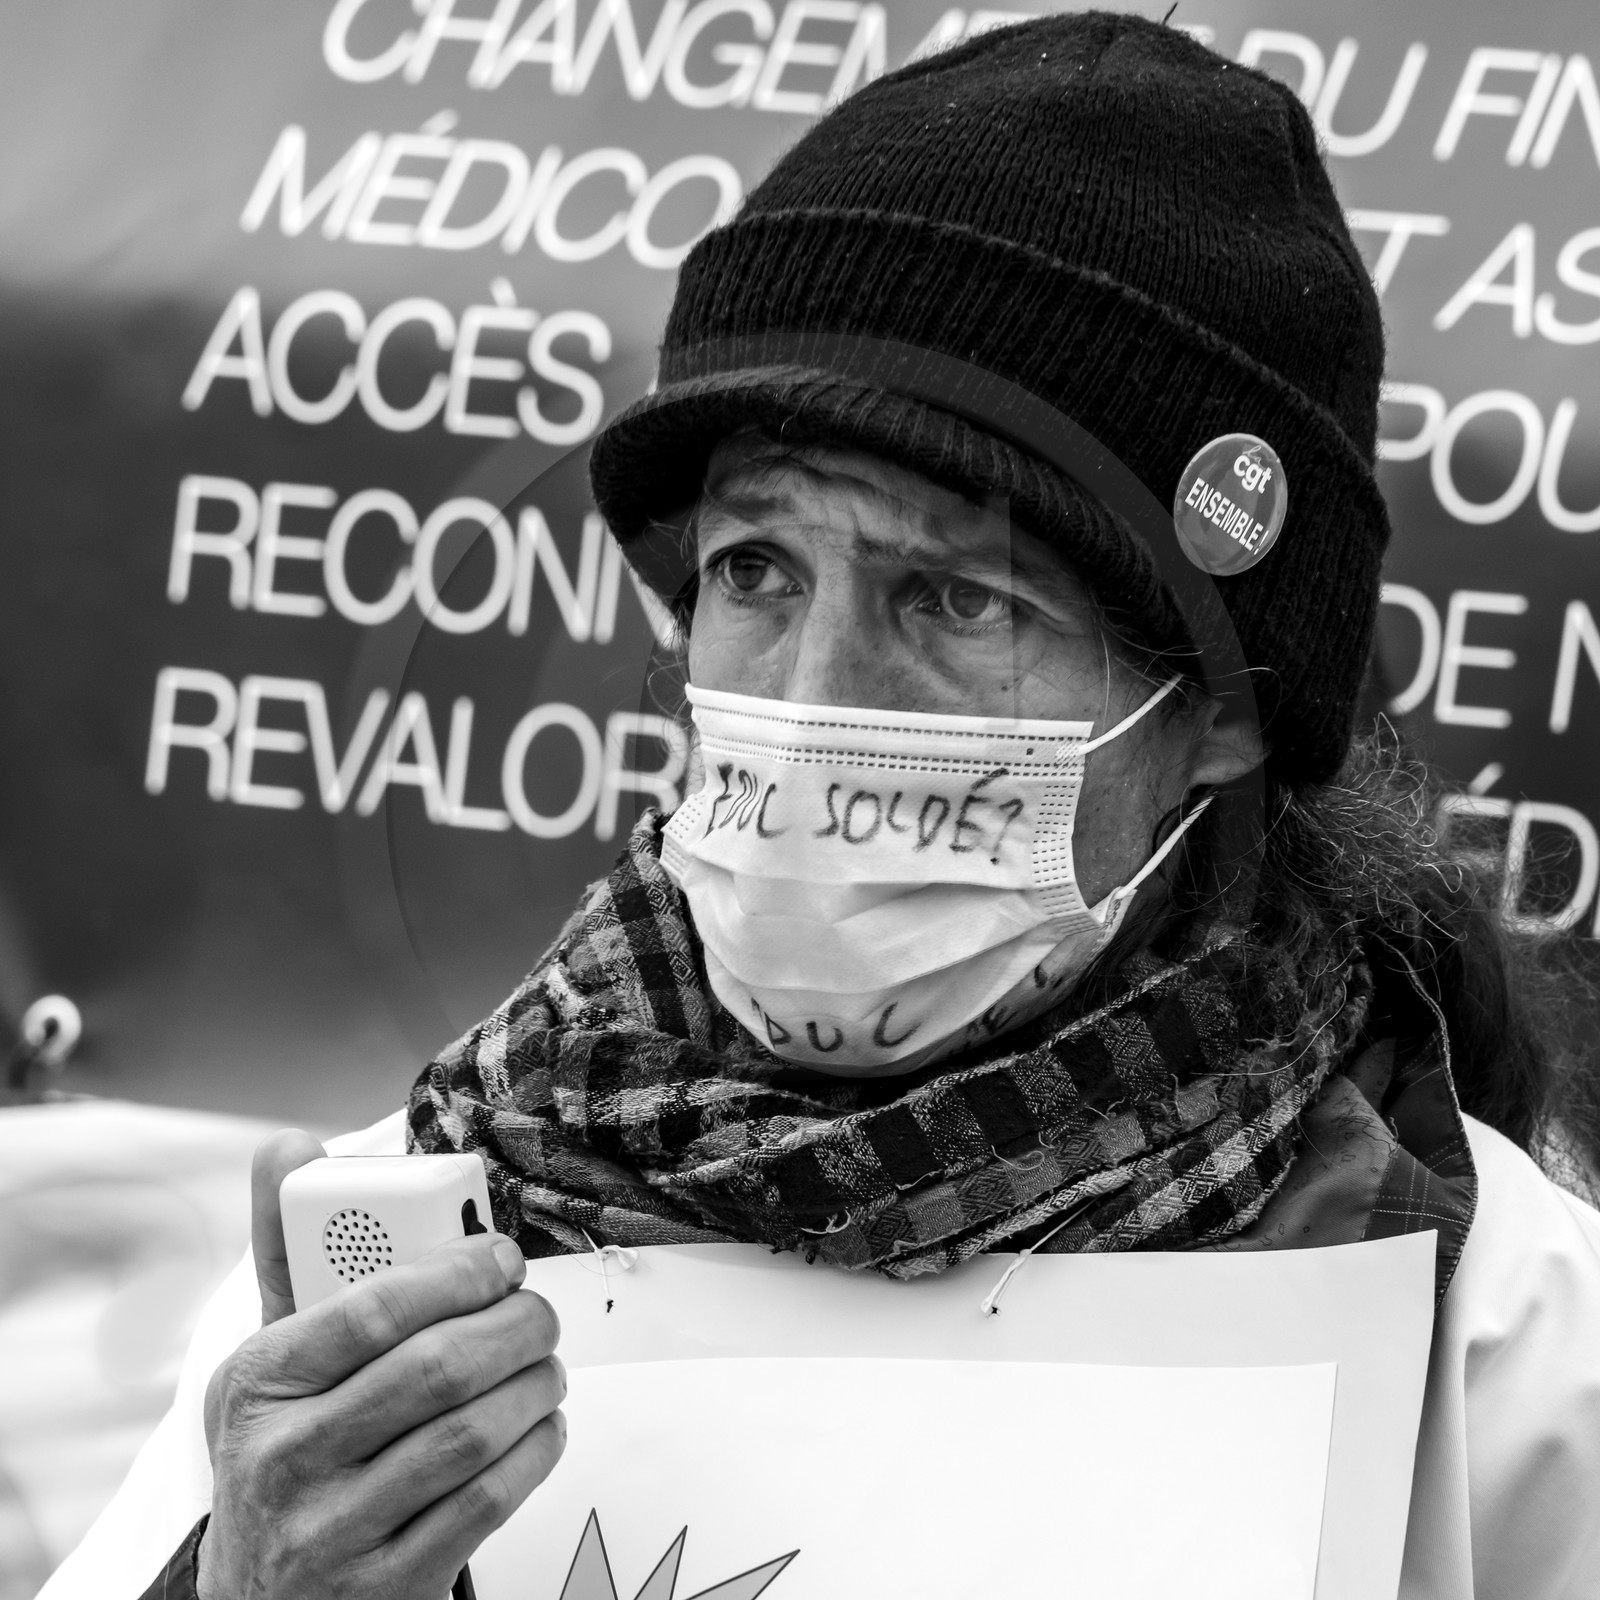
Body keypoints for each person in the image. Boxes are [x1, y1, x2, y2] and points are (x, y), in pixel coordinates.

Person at [45, 13, 1600, 1600]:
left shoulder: (1494, 1333)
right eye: (756, 571)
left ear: (1212, 718)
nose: (812, 695)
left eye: (957, 600)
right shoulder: (396, 1277)